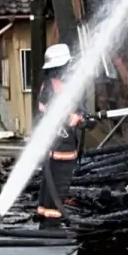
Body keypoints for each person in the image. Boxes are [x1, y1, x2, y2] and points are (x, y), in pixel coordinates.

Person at [35, 43, 88, 227]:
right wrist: (74, 119)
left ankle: (44, 215)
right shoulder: (53, 87)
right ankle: (52, 222)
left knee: (50, 183)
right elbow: (53, 113)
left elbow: (74, 109)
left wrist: (83, 117)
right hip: (60, 146)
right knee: (58, 185)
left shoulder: (56, 85)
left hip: (58, 144)